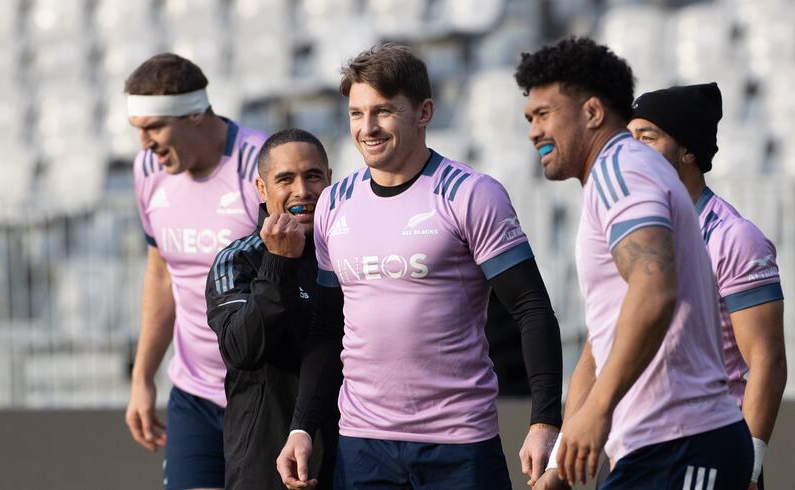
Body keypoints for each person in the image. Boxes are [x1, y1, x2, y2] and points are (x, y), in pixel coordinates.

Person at [276, 44, 564, 489]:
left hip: (458, 444)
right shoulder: (334, 202)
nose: (367, 128)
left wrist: (544, 420)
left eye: (383, 112)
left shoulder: (471, 194)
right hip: (361, 444)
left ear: (424, 112)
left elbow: (531, 309)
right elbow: (329, 328)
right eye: (356, 113)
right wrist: (301, 426)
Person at [514, 37, 751, 489]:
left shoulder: (620, 170)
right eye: (530, 118)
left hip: (684, 445)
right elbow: (600, 345)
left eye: (544, 115)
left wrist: (599, 410)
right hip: (660, 448)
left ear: (592, 113)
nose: (533, 132)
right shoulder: (621, 170)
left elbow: (654, 289)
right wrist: (561, 462)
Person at [628, 82, 786, 490]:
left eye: (647, 137)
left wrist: (748, 468)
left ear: (687, 151)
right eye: (628, 138)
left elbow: (766, 360)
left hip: (709, 455)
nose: (631, 150)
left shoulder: (734, 237)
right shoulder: (631, 235)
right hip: (637, 451)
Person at [124, 53, 265, 490]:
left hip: (263, 394)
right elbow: (162, 275)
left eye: (153, 128)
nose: (144, 143)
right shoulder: (148, 170)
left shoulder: (260, 165)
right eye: (138, 130)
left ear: (194, 114)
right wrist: (142, 378)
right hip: (194, 394)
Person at [205, 129, 338, 489]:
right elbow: (242, 349)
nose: (302, 190)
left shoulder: (350, 255)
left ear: (330, 179)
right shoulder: (238, 260)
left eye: (313, 176)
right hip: (266, 465)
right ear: (262, 189)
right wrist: (278, 263)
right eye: (285, 179)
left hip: (354, 459)